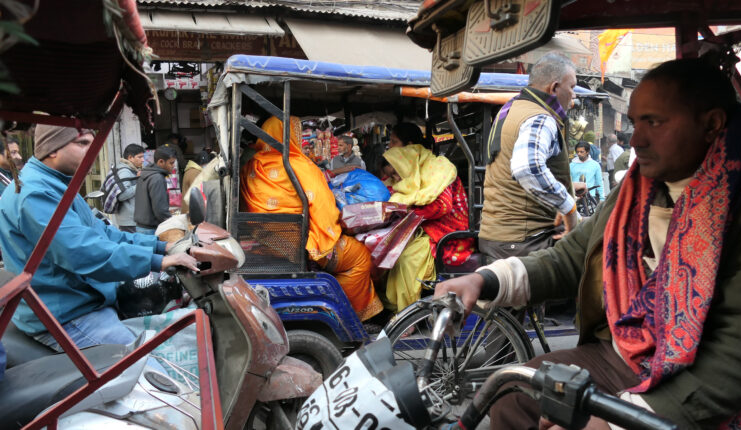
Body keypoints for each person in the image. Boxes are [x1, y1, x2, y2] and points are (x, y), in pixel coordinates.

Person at [435, 58, 741, 429]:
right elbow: (569, 259)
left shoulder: (740, 204)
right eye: (635, 123)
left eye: (655, 122)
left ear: (711, 125)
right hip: (625, 354)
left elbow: (739, 352)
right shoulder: (633, 192)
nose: (636, 140)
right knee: (512, 396)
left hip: (696, 377)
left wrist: (622, 421)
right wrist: (483, 280)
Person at [0, 125, 198, 351]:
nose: (91, 150)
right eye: (82, 143)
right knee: (149, 368)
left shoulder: (58, 184)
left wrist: (164, 246)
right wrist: (159, 261)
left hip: (81, 300)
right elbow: (82, 252)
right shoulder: (36, 192)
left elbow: (104, 233)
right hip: (67, 314)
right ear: (52, 149)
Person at [240, 116, 383, 322]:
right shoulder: (297, 164)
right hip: (299, 245)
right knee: (360, 256)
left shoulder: (251, 166)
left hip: (268, 241)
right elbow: (325, 208)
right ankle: (352, 317)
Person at [478, 52, 578, 260]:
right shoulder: (540, 118)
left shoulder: (512, 108)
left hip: (497, 237)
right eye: (572, 87)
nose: (574, 96)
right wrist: (568, 206)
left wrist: (566, 192)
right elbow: (527, 168)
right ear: (554, 88)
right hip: (526, 241)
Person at [382, 144, 474, 311]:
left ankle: (406, 313)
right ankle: (397, 309)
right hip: (428, 229)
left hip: (450, 233)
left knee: (407, 261)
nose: (396, 178)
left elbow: (442, 206)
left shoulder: (438, 171)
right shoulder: (413, 175)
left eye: (396, 172)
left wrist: (410, 211)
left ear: (406, 164)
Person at [134, 145, 177, 235]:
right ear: (161, 162)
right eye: (171, 163)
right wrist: (174, 224)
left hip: (141, 227)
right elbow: (160, 210)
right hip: (151, 230)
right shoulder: (157, 178)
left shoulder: (146, 173)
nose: (173, 166)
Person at [111, 144, 144, 233]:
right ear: (130, 157)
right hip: (129, 221)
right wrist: (140, 183)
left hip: (130, 218)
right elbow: (122, 195)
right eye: (140, 157)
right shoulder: (125, 171)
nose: (143, 160)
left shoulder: (130, 169)